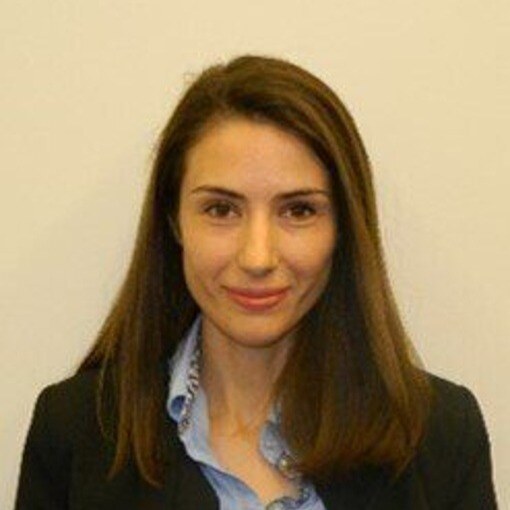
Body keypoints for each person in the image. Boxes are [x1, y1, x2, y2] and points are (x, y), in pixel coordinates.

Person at [15, 54, 498, 509]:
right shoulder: (74, 430)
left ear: (343, 229)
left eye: (298, 210)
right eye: (221, 209)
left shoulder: (440, 436)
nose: (257, 257)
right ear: (175, 221)